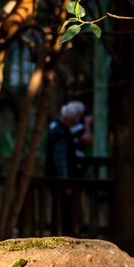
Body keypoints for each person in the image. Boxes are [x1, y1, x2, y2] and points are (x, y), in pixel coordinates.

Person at [45, 101, 91, 235]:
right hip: (60, 181)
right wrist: (66, 183)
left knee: (63, 210)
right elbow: (60, 160)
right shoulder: (61, 133)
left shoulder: (60, 130)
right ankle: (62, 236)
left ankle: (63, 234)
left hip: (59, 180)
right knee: (62, 211)